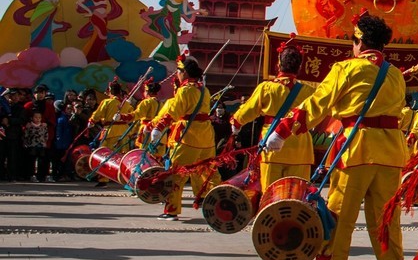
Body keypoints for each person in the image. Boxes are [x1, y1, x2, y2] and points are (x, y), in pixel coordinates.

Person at [267, 11, 410, 260]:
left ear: (359, 41)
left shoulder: (346, 69)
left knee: (340, 213)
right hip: (391, 151)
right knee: (386, 218)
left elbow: (318, 103)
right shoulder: (395, 75)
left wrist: (282, 131)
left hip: (356, 148)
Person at [232, 40, 316, 189]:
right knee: (297, 194)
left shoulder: (267, 88)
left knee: (270, 194)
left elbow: (248, 111)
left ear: (278, 64)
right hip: (300, 147)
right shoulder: (309, 91)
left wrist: (236, 122)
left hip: (272, 145)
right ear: (299, 67)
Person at [148, 55, 216, 219]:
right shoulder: (204, 90)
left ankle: (171, 210)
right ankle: (213, 201)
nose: (177, 74)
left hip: (189, 137)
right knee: (208, 172)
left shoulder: (185, 90)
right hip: (206, 137)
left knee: (177, 174)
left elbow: (174, 111)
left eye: (178, 71)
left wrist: (158, 127)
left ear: (184, 72)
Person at [89, 79, 135, 154]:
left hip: (111, 131)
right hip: (125, 132)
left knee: (109, 153)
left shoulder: (107, 102)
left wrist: (92, 121)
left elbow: (98, 114)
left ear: (110, 90)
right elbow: (132, 115)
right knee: (123, 153)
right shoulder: (126, 104)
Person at [23, 110, 49, 182]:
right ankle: (32, 175)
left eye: (39, 117)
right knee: (32, 161)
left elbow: (46, 135)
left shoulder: (43, 126)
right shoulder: (29, 126)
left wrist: (44, 142)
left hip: (41, 145)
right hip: (32, 145)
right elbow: (26, 135)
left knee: (41, 161)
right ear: (32, 118)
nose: (37, 119)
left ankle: (41, 176)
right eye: (36, 117)